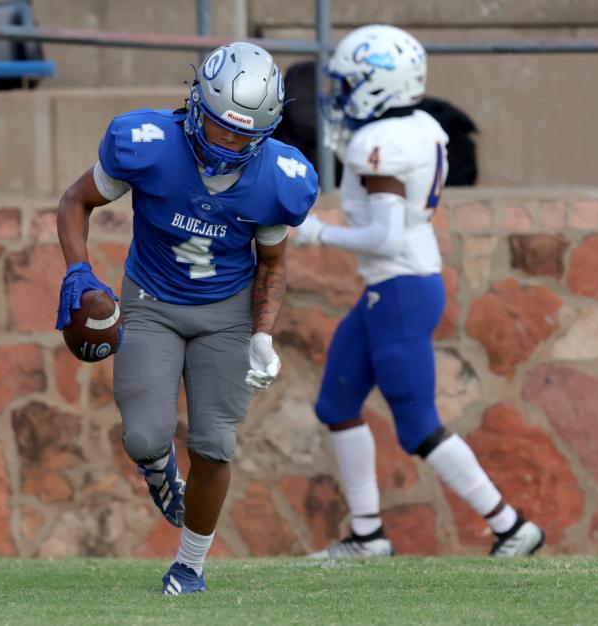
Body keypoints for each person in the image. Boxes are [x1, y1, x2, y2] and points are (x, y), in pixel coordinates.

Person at [56, 41, 318, 593]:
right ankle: (159, 473)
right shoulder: (145, 144)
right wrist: (78, 271)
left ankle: (190, 565)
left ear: (266, 132)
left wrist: (263, 335)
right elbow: (75, 201)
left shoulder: (281, 179)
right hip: (151, 299)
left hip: (226, 312)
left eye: (243, 135)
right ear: (197, 101)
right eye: (221, 126)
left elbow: (272, 263)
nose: (227, 142)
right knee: (145, 438)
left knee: (214, 444)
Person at [294, 24, 543, 558]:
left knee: (417, 426)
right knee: (337, 402)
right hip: (394, 287)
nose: (340, 96)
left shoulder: (379, 141)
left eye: (350, 83)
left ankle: (511, 526)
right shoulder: (422, 126)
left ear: (378, 84)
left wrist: (316, 232)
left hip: (400, 288)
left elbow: (383, 237)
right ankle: (367, 537)